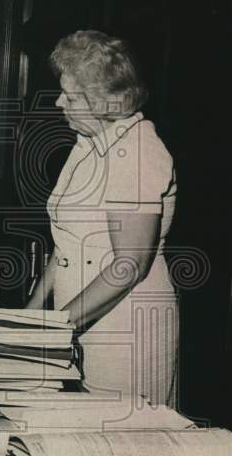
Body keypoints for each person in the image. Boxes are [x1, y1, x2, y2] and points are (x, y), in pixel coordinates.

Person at [27, 30, 178, 406]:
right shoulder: (88, 144)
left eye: (71, 96)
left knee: (122, 451)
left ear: (104, 102)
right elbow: (67, 245)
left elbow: (129, 265)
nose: (59, 102)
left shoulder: (138, 150)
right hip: (80, 322)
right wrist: (28, 318)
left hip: (126, 330)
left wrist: (55, 329)